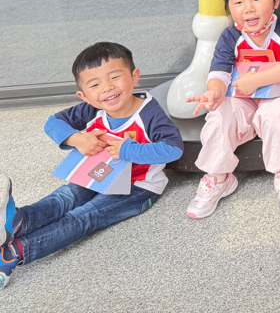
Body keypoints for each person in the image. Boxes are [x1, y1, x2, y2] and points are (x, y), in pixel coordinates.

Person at [0, 43, 183, 288]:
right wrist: (77, 139)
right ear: (84, 96)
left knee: (83, 216)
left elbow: (173, 149)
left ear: (134, 76)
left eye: (115, 77)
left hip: (138, 187)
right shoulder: (93, 108)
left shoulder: (149, 113)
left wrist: (128, 150)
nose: (107, 88)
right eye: (95, 85)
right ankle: (16, 223)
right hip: (98, 175)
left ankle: (12, 254)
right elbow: (52, 123)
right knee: (64, 197)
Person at [186, 0, 280, 217]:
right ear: (228, 6)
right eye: (239, 1)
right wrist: (214, 91)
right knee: (220, 116)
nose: (249, 8)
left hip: (279, 96)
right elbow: (219, 73)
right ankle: (218, 177)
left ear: (276, 0)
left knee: (275, 115)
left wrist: (257, 80)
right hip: (241, 99)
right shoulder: (230, 36)